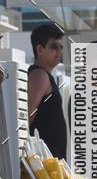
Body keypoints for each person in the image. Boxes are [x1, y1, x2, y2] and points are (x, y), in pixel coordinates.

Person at [27, 22, 68, 159]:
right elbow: (27, 116)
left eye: (61, 47)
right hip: (43, 162)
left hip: (50, 160)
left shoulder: (44, 75)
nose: (59, 52)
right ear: (39, 49)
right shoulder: (39, 76)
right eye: (54, 47)